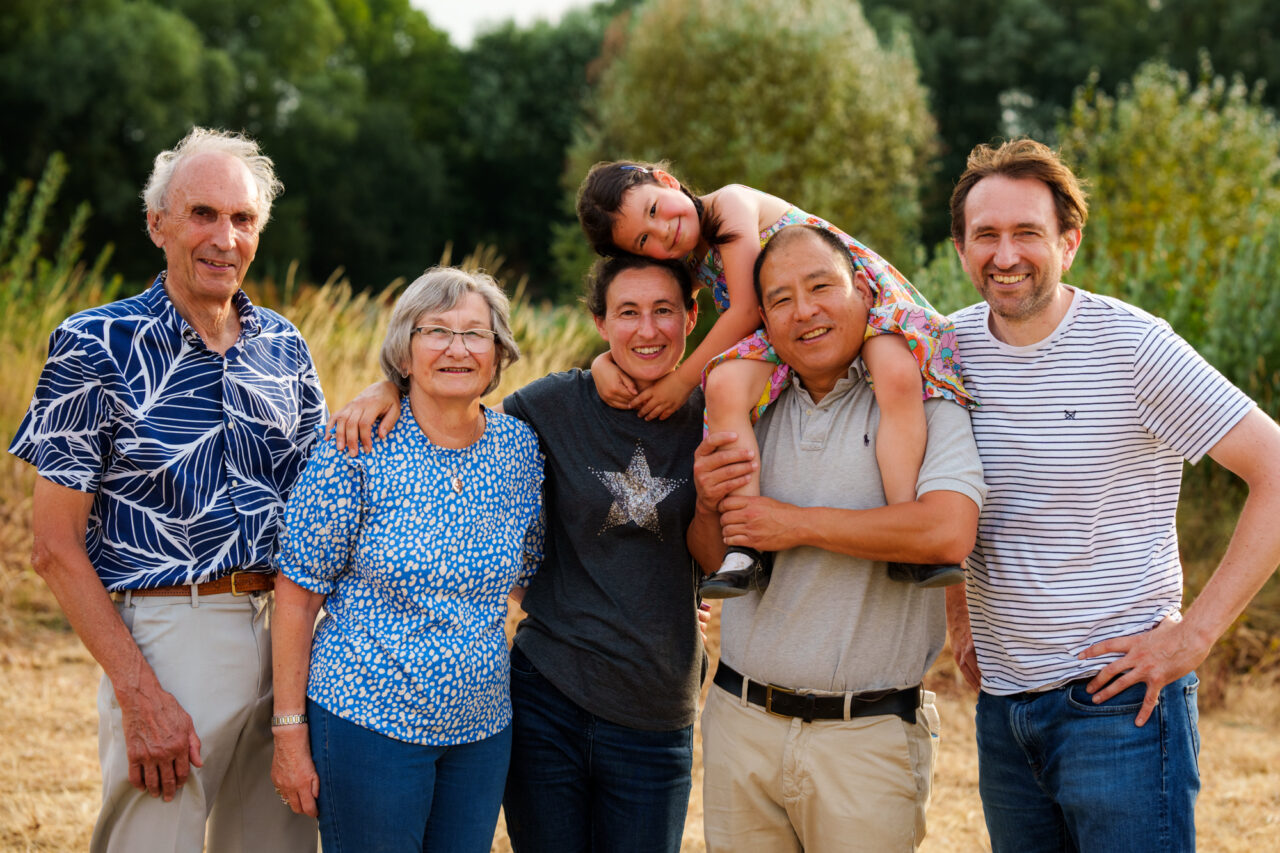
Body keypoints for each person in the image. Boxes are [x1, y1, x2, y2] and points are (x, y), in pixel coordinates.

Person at [944, 138, 1280, 852]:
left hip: (1121, 707)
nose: (1006, 254)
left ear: (1069, 241)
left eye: (1027, 233)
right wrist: (957, 612)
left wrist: (1195, 635)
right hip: (1004, 715)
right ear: (961, 248)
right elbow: (941, 495)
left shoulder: (1132, 347)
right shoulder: (945, 352)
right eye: (987, 235)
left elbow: (1276, 466)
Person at [8, 128, 323, 852]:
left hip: (284, 631)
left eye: (242, 219)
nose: (224, 237)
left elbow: (318, 505)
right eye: (202, 213)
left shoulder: (286, 347)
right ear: (158, 224)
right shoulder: (95, 344)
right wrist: (139, 691)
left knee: (276, 844)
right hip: (168, 636)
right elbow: (54, 547)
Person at [329, 254, 709, 853]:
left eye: (664, 311)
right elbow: (455, 410)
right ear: (600, 321)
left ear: (693, 315)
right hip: (546, 698)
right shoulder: (552, 405)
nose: (647, 329)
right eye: (627, 312)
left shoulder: (721, 412)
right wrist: (391, 385)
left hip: (654, 705)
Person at [689, 224, 987, 852]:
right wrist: (711, 505)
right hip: (740, 725)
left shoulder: (924, 401)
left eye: (821, 286)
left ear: (862, 291)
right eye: (780, 299)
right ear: (763, 318)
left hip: (868, 736)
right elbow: (715, 559)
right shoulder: (746, 408)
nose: (805, 311)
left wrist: (793, 524)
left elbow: (946, 530)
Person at [577, 161, 975, 596]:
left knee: (896, 372)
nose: (662, 232)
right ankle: (745, 548)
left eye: (655, 210)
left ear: (666, 180)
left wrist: (682, 381)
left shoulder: (729, 203)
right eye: (643, 240)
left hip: (856, 304)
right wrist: (604, 363)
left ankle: (906, 530)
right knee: (725, 386)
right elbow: (666, 315)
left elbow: (746, 310)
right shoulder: (684, 259)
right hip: (782, 328)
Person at [269, 267, 544, 852]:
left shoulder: (519, 450)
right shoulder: (354, 445)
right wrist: (289, 731)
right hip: (366, 718)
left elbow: (530, 578)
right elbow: (296, 594)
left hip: (482, 726)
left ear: (498, 354)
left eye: (476, 334)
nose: (457, 348)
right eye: (436, 331)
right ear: (405, 348)